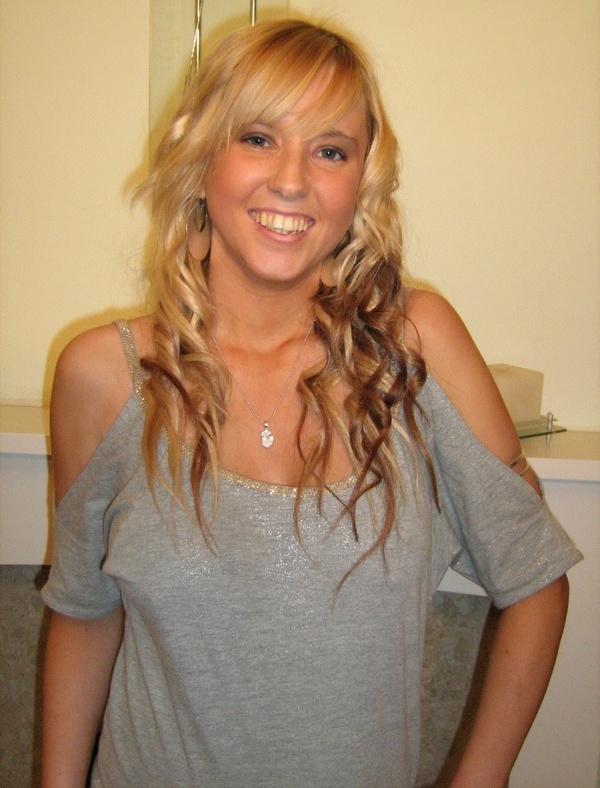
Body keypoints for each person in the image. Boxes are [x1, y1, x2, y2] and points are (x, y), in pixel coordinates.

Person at [41, 18, 582, 788]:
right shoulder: (103, 377)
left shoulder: (416, 350)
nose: (292, 179)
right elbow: (84, 610)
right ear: (202, 159)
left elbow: (536, 580)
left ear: (360, 184)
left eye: (331, 150)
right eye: (258, 137)